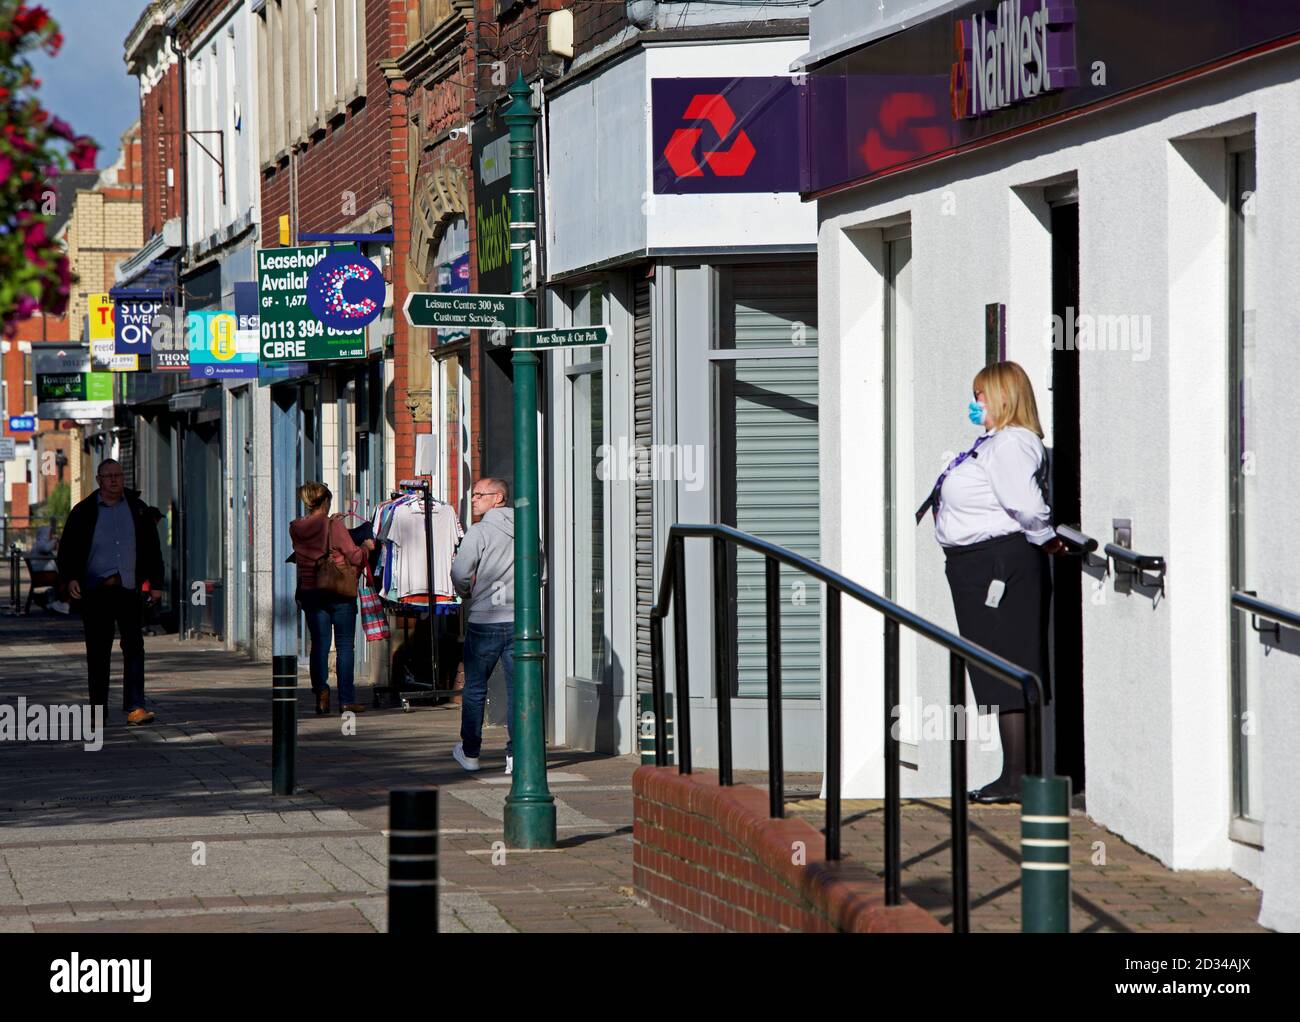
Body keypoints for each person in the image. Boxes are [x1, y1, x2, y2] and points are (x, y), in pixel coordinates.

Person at [917, 361, 1065, 804]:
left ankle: (1017, 777)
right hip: (977, 566)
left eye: (981, 394)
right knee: (995, 666)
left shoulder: (1012, 443)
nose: (975, 402)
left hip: (998, 564)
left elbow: (1026, 504)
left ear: (1004, 396)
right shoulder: (993, 442)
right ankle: (1014, 773)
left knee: (1006, 665)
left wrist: (1044, 536)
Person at [55, 459, 165, 725]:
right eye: (109, 476)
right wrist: (70, 579)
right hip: (96, 591)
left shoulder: (138, 509)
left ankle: (135, 707)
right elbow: (67, 550)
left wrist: (156, 584)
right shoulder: (83, 511)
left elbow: (152, 549)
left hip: (128, 589)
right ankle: (97, 710)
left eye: (118, 475)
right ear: (99, 480)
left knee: (134, 647)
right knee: (98, 651)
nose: (115, 480)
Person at [450, 478, 518, 775]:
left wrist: (466, 590)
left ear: (499, 498)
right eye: (474, 494)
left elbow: (460, 572)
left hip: (485, 619)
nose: (473, 499)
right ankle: (517, 755)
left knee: (475, 688)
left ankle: (470, 752)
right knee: (519, 690)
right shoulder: (527, 529)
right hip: (519, 621)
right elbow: (540, 573)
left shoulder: (479, 532)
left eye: (480, 494)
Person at [290, 481, 374, 715]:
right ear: (325, 501)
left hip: (310, 592)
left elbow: (317, 542)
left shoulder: (296, 527)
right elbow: (354, 557)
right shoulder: (333, 526)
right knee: (345, 645)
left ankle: (321, 694)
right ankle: (346, 700)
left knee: (319, 644)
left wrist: (335, 525)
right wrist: (366, 547)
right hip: (339, 591)